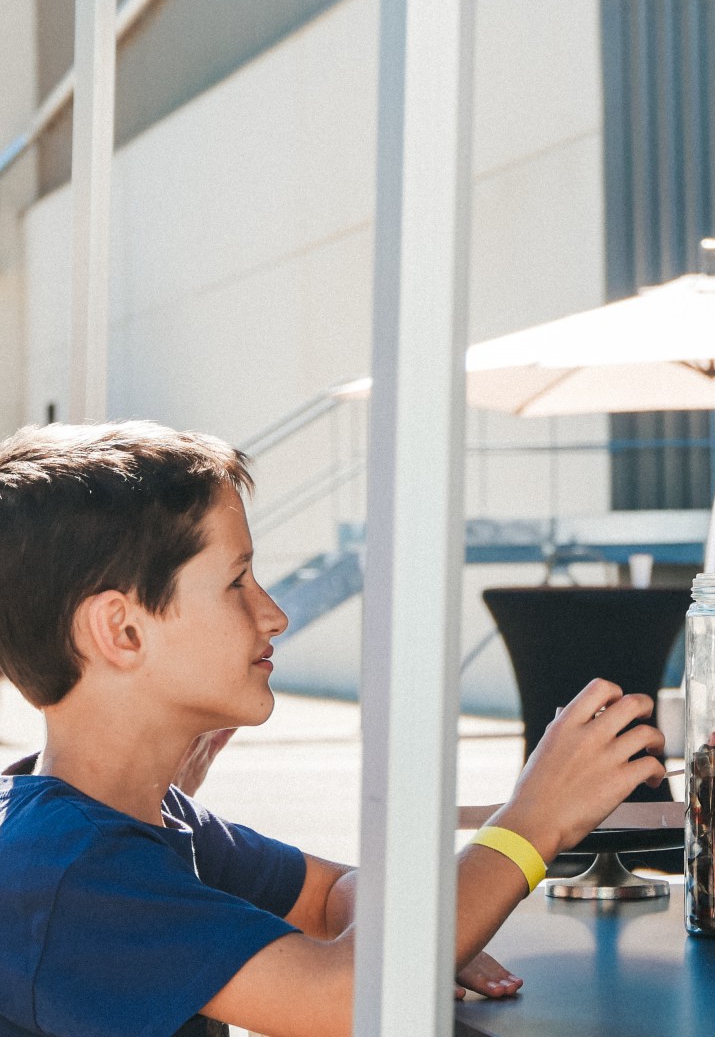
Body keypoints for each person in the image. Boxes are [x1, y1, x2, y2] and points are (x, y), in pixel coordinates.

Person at [0, 422, 666, 1037]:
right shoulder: (66, 871)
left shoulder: (147, 820)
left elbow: (335, 898)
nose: (274, 615)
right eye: (237, 581)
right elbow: (349, 1001)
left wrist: (424, 941)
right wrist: (534, 822)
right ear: (121, 630)